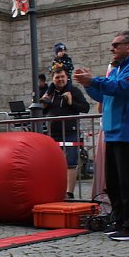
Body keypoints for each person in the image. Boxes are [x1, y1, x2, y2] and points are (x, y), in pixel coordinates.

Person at [74, 30, 129, 241]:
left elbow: (122, 88)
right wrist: (88, 84)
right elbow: (103, 94)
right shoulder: (117, 69)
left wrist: (94, 80)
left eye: (116, 44)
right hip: (115, 132)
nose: (112, 48)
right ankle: (120, 221)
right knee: (115, 182)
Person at [41, 67, 90, 198]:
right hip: (52, 132)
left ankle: (69, 193)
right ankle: (54, 190)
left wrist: (71, 101)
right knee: (52, 162)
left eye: (62, 76)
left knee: (71, 162)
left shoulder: (74, 91)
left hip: (70, 131)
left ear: (66, 77)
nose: (60, 79)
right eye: (57, 77)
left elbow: (85, 108)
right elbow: (41, 111)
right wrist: (44, 105)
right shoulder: (49, 93)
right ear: (53, 79)